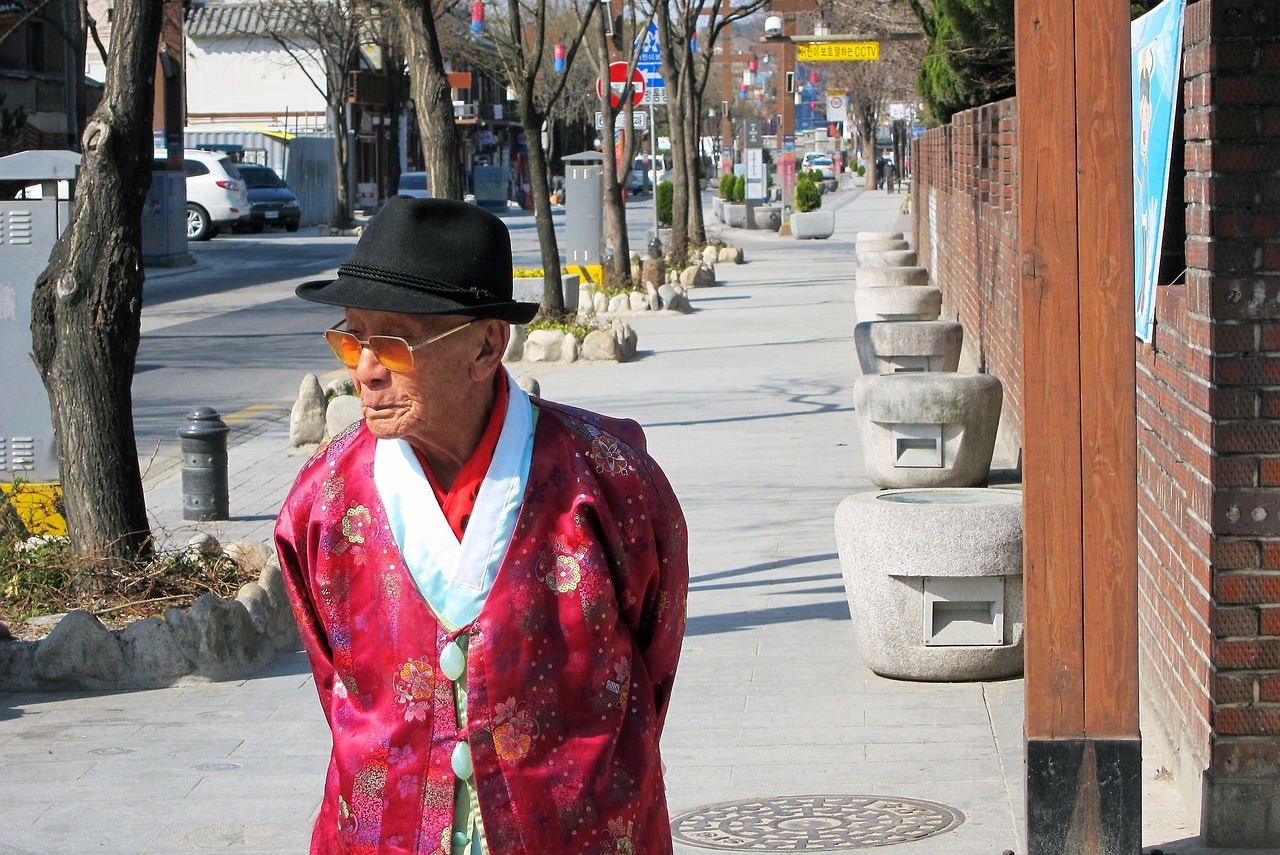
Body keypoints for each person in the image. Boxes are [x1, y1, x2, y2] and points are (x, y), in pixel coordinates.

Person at [274, 197, 689, 855]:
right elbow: (337, 686)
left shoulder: (607, 481)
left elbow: (653, 660)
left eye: (394, 342)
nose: (364, 370)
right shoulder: (322, 502)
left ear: (487, 344)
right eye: (352, 338)